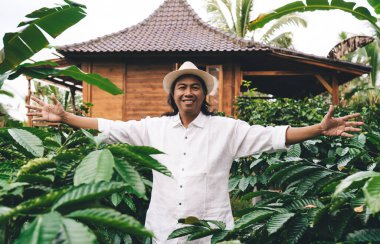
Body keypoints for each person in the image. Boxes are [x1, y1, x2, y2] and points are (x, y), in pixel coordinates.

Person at [27, 61, 363, 244]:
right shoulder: (152, 129)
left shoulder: (228, 130)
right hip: (163, 229)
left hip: (210, 230)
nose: (188, 92)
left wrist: (319, 129)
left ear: (204, 94)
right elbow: (109, 126)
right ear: (173, 96)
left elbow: (274, 136)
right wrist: (68, 117)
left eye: (195, 87)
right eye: (182, 87)